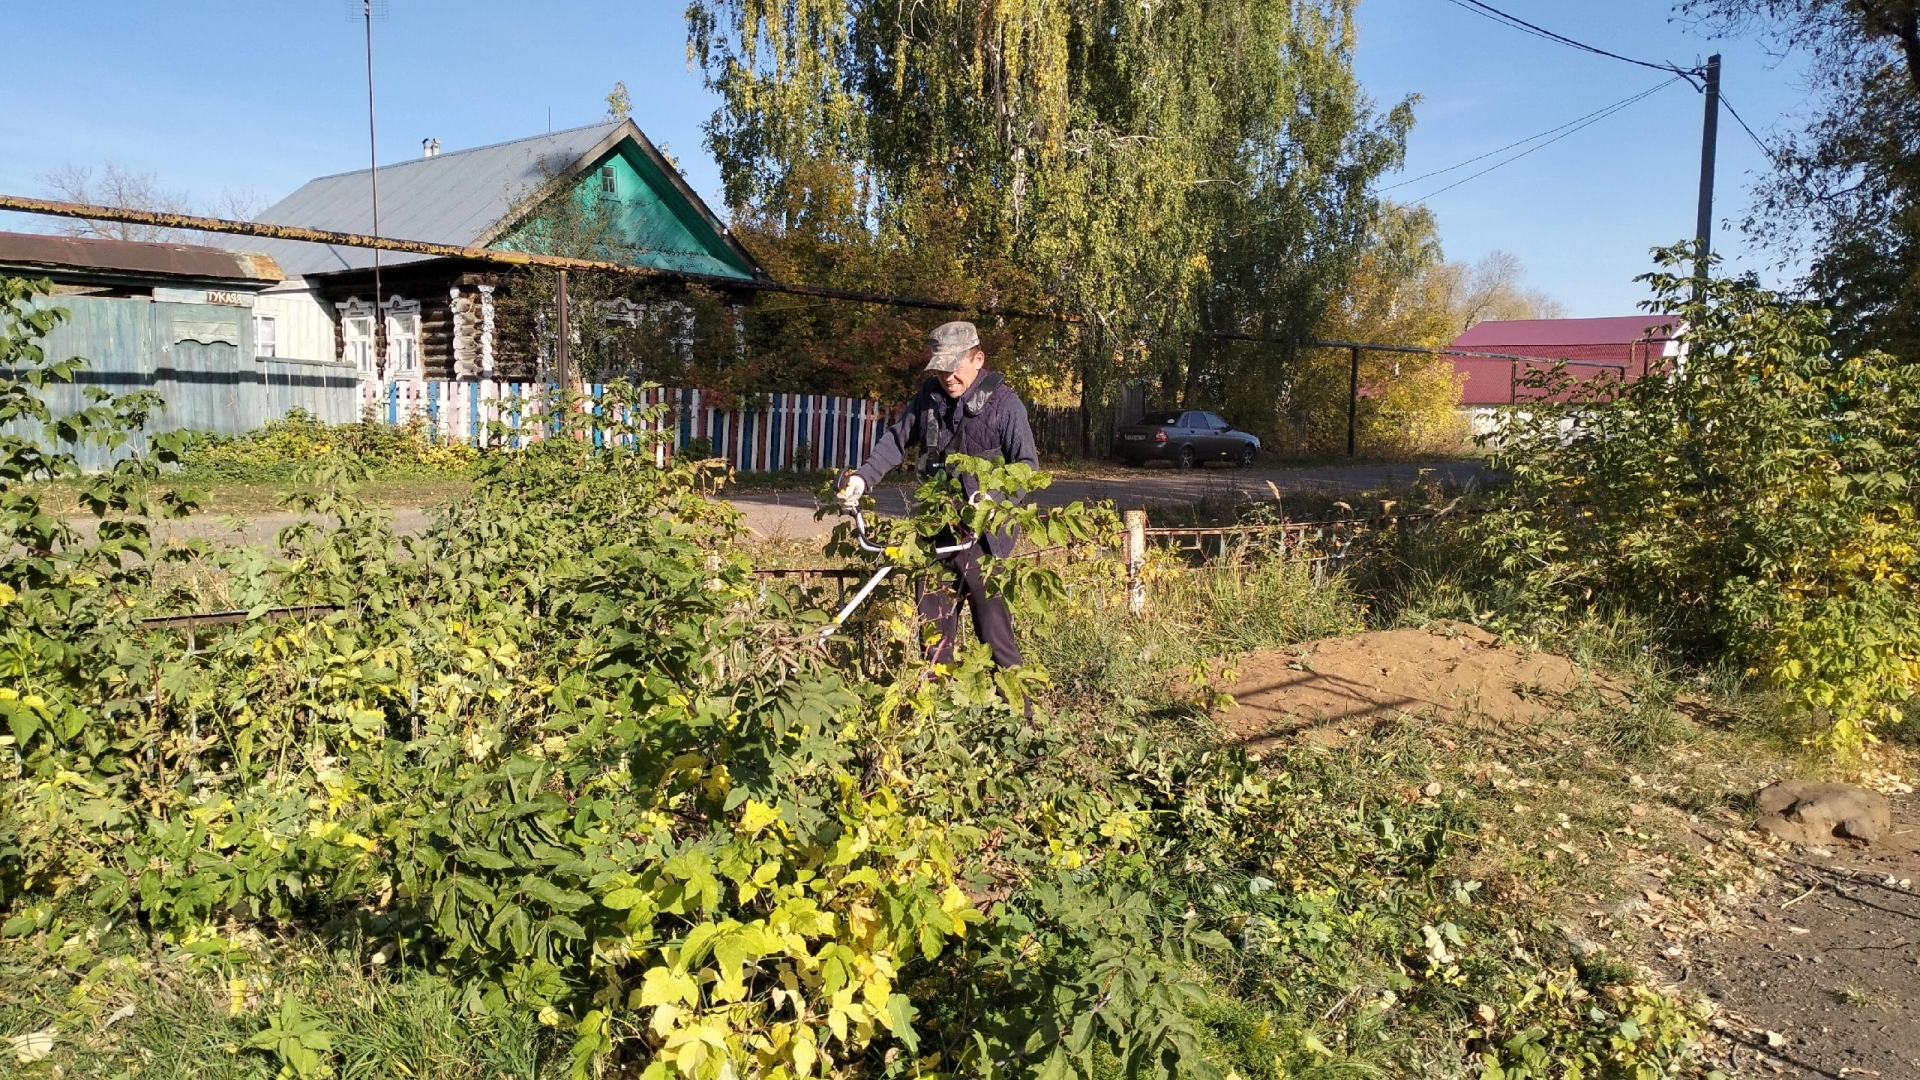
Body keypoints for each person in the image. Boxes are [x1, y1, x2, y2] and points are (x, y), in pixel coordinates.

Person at [836, 320, 1038, 668]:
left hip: (985, 537)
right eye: (941, 369)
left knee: (994, 636)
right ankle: (937, 711)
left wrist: (997, 502)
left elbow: (1028, 466)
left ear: (978, 359)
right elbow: (897, 440)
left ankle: (1020, 720)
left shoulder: (1006, 405)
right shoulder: (928, 397)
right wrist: (863, 478)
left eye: (955, 368)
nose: (948, 377)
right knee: (933, 636)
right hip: (935, 528)